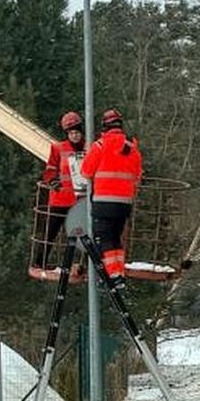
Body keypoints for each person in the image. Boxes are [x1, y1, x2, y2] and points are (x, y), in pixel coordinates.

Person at [80, 108, 143, 289]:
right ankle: (118, 274)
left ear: (104, 127)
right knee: (115, 238)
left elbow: (85, 171)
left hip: (103, 202)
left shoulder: (100, 145)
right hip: (124, 203)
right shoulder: (132, 148)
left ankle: (112, 274)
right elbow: (138, 175)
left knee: (103, 238)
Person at [35, 111, 86, 266]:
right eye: (72, 133)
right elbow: (50, 170)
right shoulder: (58, 149)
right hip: (60, 199)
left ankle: (80, 264)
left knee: (81, 235)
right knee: (50, 232)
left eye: (77, 132)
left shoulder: (90, 148)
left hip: (79, 201)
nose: (75, 136)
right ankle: (40, 261)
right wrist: (53, 181)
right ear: (67, 134)